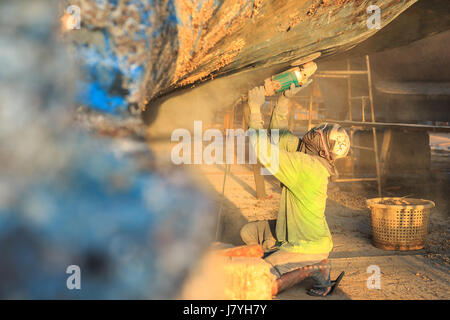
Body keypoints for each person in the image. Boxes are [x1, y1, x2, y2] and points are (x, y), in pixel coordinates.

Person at [241, 83, 350, 296]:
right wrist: (283, 100)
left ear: (322, 145)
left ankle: (315, 268)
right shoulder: (312, 157)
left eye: (321, 133)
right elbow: (279, 136)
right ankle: (283, 257)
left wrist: (255, 111)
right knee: (248, 233)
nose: (316, 132)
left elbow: (263, 151)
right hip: (296, 233)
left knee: (260, 282)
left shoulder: (307, 167)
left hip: (306, 246)